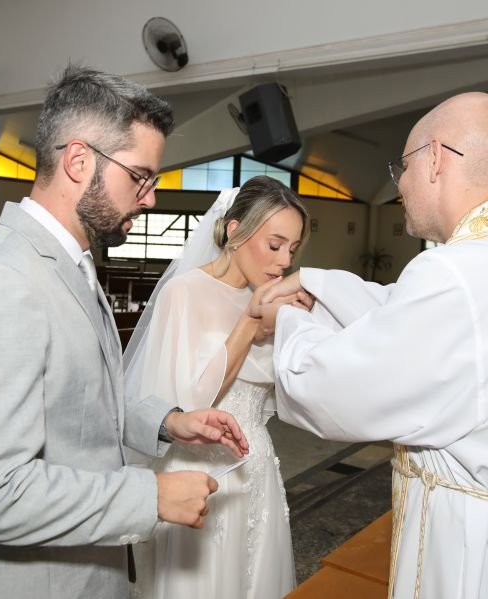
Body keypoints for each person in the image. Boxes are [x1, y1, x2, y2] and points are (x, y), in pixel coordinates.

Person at [257, 92, 488, 599]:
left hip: (485, 556)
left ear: (433, 159)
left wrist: (288, 321)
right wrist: (317, 285)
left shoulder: (458, 273)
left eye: (401, 168)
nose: (401, 186)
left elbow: (333, 389)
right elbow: (415, 323)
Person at [0, 66, 249, 599]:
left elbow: (77, 403)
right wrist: (152, 498)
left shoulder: (69, 263)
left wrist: (168, 422)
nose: (150, 199)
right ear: (78, 161)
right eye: (140, 177)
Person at [125, 176, 310, 599]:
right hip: (199, 472)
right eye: (275, 244)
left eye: (292, 250)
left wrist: (298, 328)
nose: (284, 261)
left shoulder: (269, 297)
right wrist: (251, 322)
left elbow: (282, 399)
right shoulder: (184, 292)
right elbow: (187, 405)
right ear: (235, 230)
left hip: (256, 467)